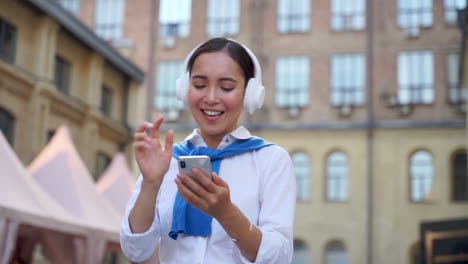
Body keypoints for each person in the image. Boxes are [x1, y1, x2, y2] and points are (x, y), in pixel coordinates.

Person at [120, 37, 296, 263]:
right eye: (200, 85)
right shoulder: (168, 160)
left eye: (227, 87)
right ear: (185, 89)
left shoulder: (270, 160)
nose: (211, 98)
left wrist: (226, 213)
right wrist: (150, 183)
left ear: (250, 94)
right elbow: (135, 250)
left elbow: (279, 257)